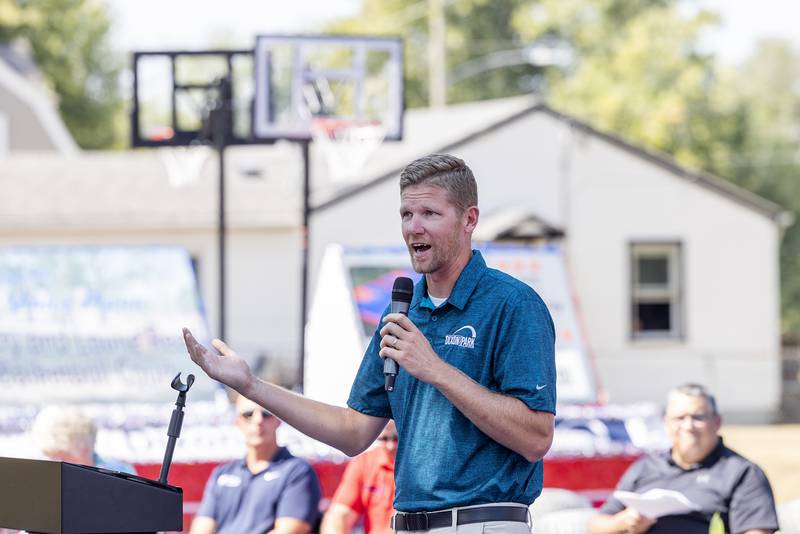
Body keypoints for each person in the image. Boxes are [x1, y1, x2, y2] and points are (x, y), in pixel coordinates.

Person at [183, 153, 557, 533]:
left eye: (430, 213)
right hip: (407, 524)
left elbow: (536, 437)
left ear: (469, 219)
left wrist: (436, 370)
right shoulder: (403, 311)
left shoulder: (513, 304)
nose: (414, 228)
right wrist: (251, 386)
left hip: (482, 522)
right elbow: (353, 430)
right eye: (406, 215)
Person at [589, 383, 779, 534]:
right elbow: (596, 526)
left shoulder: (742, 473)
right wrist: (626, 521)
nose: (688, 426)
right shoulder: (644, 467)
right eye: (679, 418)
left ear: (717, 422)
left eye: (698, 417)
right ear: (666, 424)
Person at [189, 394, 321, 534]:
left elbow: (291, 530)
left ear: (278, 419)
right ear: (238, 422)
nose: (258, 420)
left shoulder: (297, 472)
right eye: (248, 414)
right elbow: (201, 529)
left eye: (266, 413)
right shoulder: (222, 474)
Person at [320, 420, 398, 534]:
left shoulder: (422, 465)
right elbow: (339, 515)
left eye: (396, 438)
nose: (391, 446)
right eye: (385, 439)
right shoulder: (365, 463)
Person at [31, 405, 136, 474]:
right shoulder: (36, 472)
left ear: (84, 449)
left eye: (61, 456)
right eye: (50, 456)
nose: (53, 461)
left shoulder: (122, 473)